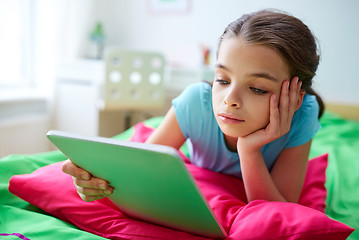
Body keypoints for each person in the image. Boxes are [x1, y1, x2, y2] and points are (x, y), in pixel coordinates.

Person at [62, 9, 324, 204]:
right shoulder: (196, 103)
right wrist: (95, 182)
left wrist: (249, 150)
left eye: (257, 88)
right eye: (222, 79)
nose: (229, 99)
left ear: (296, 96)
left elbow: (280, 211)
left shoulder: (302, 115)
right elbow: (137, 173)